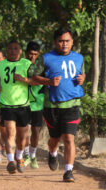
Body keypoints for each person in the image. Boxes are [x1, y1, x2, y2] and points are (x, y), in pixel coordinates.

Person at [33, 27, 86, 182]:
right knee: (54, 139)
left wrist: (82, 79)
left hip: (72, 104)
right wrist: (48, 81)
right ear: (55, 42)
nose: (64, 44)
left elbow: (81, 74)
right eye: (61, 41)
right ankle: (52, 152)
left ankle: (68, 171)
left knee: (69, 138)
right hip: (52, 106)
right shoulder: (46, 58)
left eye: (67, 41)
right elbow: (33, 76)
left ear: (72, 42)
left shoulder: (79, 58)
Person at [0, 41, 35, 174]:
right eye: (10, 49)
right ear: (6, 51)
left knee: (22, 137)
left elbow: (35, 81)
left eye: (16, 49)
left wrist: (24, 80)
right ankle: (10, 161)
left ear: (21, 51)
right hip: (7, 104)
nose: (13, 51)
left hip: (23, 104)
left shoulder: (26, 64)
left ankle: (19, 156)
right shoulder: (0, 64)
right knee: (10, 132)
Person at [13, 41, 44, 169]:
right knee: (24, 131)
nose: (32, 57)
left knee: (35, 131)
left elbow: (41, 81)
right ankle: (25, 155)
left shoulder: (42, 67)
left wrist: (26, 80)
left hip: (38, 103)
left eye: (35, 54)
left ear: (39, 54)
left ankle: (33, 155)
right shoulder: (20, 65)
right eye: (30, 54)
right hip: (22, 102)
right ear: (26, 53)